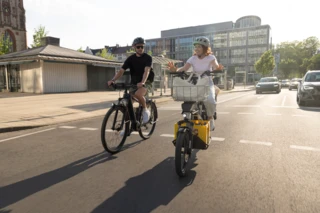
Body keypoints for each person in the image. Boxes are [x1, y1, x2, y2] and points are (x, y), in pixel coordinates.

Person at [168, 36, 223, 131]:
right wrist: (175, 70)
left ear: (205, 48)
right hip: (196, 83)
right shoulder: (192, 58)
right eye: (195, 47)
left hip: (207, 83)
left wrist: (218, 69)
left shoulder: (211, 58)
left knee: (210, 100)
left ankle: (210, 118)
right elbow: (184, 69)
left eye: (199, 47)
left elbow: (216, 67)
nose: (196, 49)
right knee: (190, 98)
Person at [107, 37, 152, 124]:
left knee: (138, 94)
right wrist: (112, 80)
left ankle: (145, 110)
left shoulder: (148, 58)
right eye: (138, 47)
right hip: (134, 83)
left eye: (142, 47)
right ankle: (127, 128)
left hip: (147, 81)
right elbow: (121, 71)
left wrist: (143, 82)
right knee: (128, 105)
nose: (140, 49)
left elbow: (147, 71)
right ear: (134, 47)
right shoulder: (130, 59)